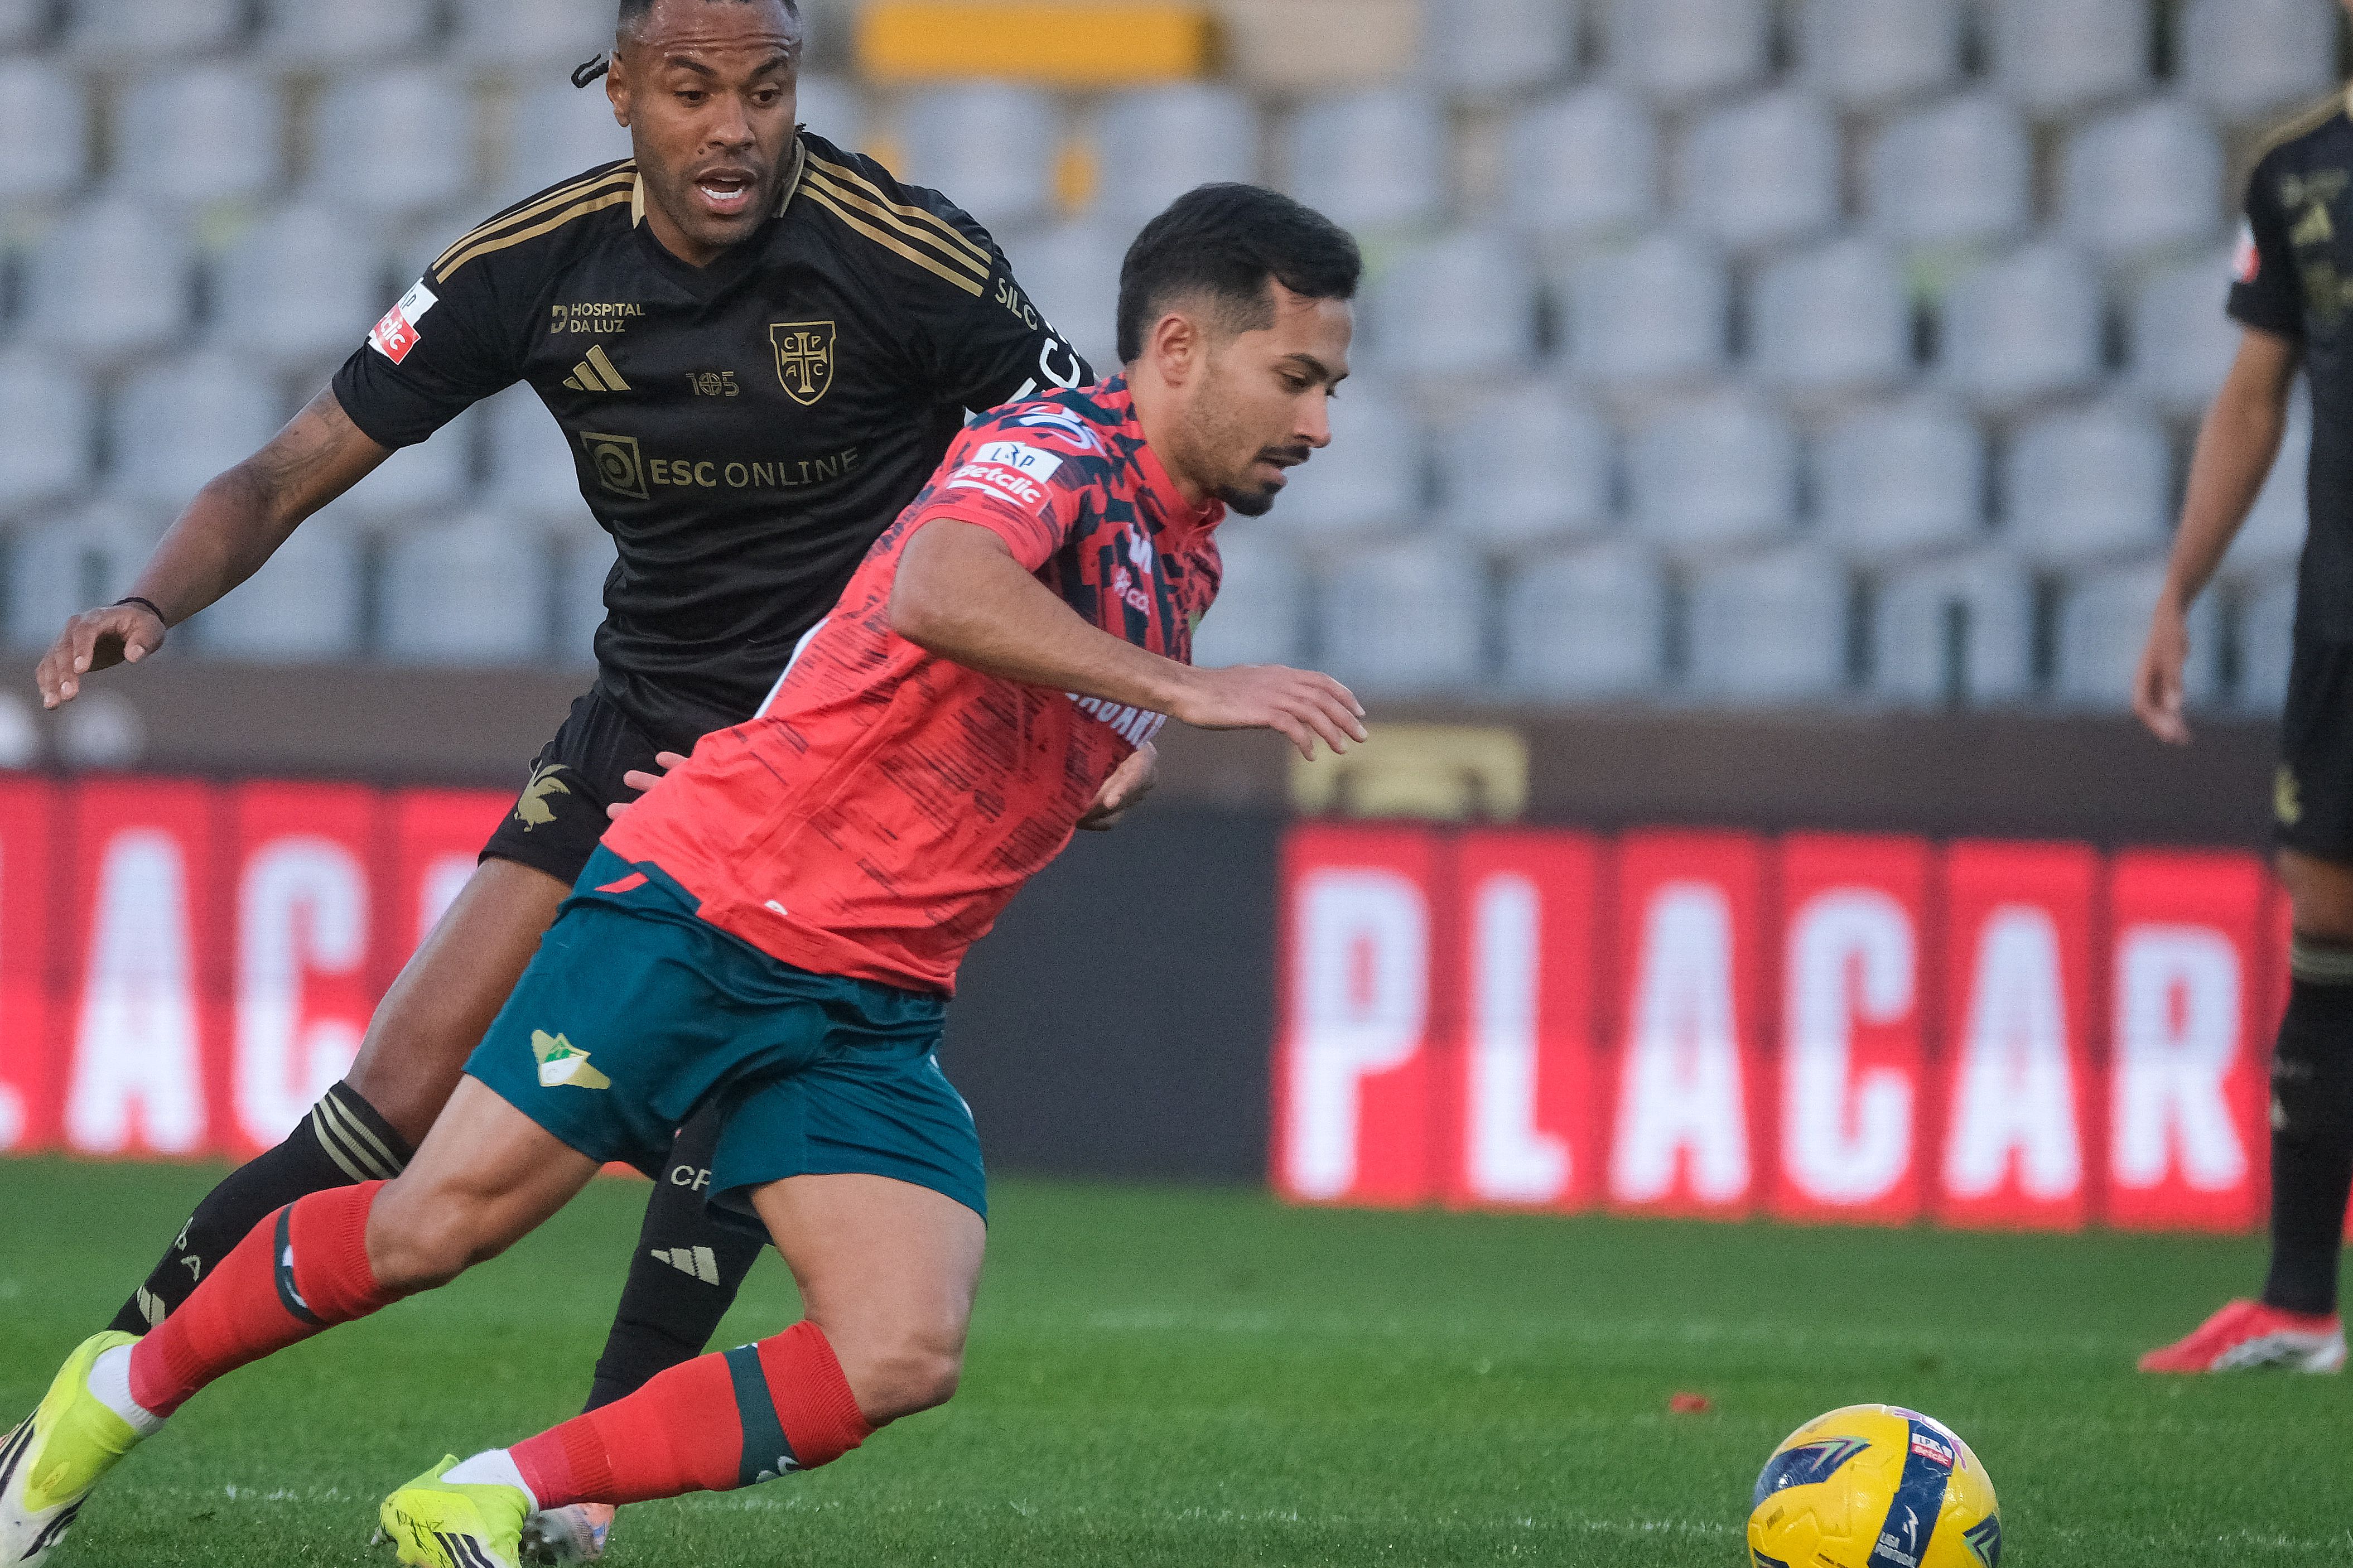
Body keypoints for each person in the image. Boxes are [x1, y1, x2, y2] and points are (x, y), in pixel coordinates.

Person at [0, 181, 1366, 1568]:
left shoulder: (1180, 555)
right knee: (431, 1228)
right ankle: (104, 1399)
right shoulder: (1059, 445)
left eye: (1331, 388)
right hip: (716, 911)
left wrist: (1103, 760)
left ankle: (487, 1493)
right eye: (1297, 378)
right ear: (1182, 348)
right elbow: (939, 585)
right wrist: (1179, 696)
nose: (1319, 423)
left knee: (900, 1345)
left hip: (872, 996)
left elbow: (1008, 691)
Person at [33, 0, 1096, 1549]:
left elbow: (1080, 475)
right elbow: (283, 466)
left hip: (839, 768)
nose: (732, 125)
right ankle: (101, 1384)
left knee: (747, 1097)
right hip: (639, 730)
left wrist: (1089, 705)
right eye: (691, 89)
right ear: (619, 96)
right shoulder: (530, 264)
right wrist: (151, 600)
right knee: (393, 1102)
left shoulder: (907, 255)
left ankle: (567, 1488)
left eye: (766, 87)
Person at [2134, 69, 2353, 1374]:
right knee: (2325, 922)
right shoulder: (2298, 168)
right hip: (2341, 622)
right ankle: (2295, 1300)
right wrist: (2176, 590)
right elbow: (2255, 396)